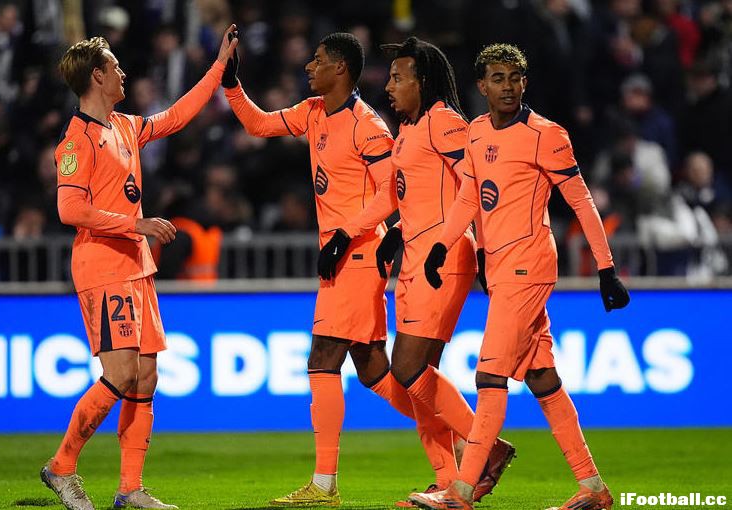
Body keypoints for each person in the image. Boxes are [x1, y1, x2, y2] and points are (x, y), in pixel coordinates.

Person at [222, 30, 441, 506]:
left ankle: (324, 484)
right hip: (340, 256)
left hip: (359, 254)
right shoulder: (313, 111)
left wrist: (344, 233)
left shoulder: (369, 126)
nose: (309, 66)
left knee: (322, 358)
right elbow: (259, 125)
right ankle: (463, 439)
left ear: (340, 68)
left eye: (317, 60)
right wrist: (232, 86)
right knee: (373, 370)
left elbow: (391, 194)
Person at [409, 44, 630, 510]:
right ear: (482, 85)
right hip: (502, 269)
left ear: (524, 83)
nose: (507, 86)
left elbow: (582, 202)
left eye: (515, 78)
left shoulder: (546, 135)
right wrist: (442, 247)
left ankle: (462, 490)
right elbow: (470, 197)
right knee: (542, 378)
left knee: (490, 374)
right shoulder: (475, 132)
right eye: (498, 78)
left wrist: (605, 268)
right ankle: (593, 488)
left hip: (529, 266)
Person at [39, 26, 239, 510]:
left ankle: (130, 488)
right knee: (121, 373)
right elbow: (70, 209)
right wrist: (137, 223)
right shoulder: (76, 140)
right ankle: (61, 467)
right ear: (97, 76)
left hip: (136, 267)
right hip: (103, 267)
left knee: (146, 376)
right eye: (115, 67)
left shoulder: (126, 126)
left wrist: (218, 69)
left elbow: (176, 116)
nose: (123, 73)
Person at [338, 37, 515, 506]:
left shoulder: (445, 122)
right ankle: (448, 479)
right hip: (414, 258)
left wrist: (485, 249)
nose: (389, 86)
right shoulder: (409, 128)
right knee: (419, 380)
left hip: (444, 259)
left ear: (422, 81)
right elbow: (411, 194)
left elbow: (475, 189)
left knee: (408, 368)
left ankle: (487, 447)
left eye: (398, 77)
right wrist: (389, 231)